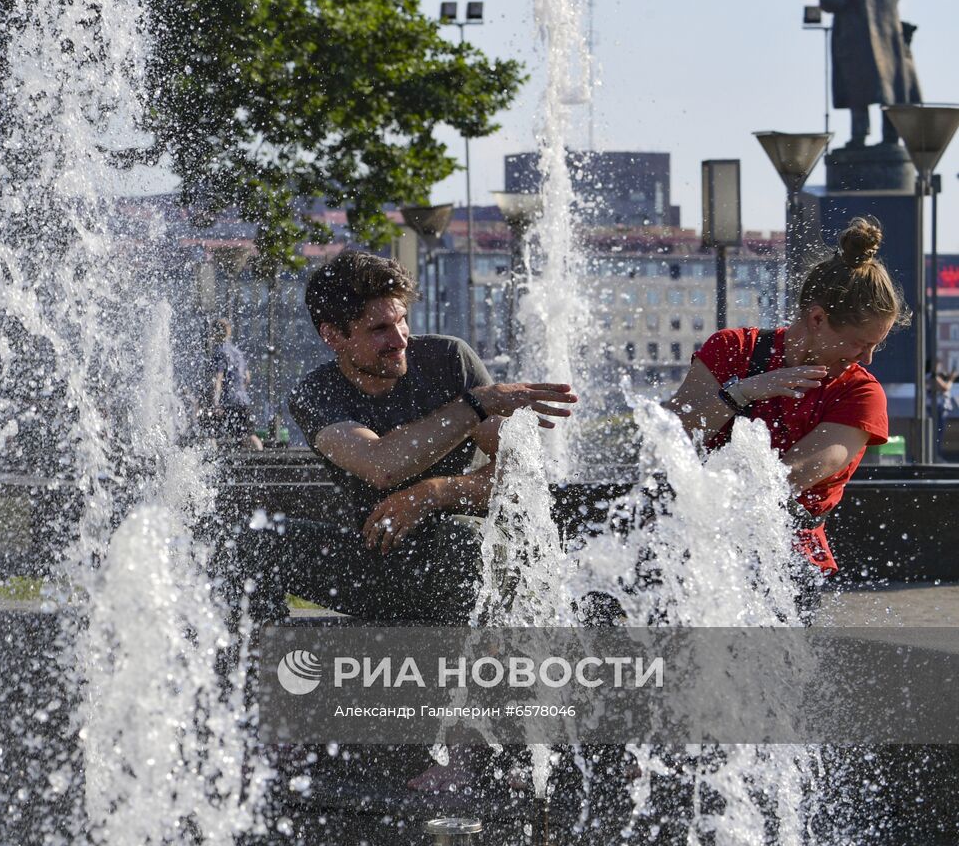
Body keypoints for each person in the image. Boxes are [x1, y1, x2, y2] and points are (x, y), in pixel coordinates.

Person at [219, 250, 577, 624]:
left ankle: (464, 672)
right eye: (379, 330)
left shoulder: (449, 361)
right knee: (248, 542)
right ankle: (265, 662)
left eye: (402, 320)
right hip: (378, 563)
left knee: (460, 538)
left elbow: (517, 480)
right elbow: (380, 466)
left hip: (467, 558)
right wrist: (475, 405)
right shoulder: (317, 393)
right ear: (333, 335)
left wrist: (436, 492)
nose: (400, 339)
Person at [666, 217, 909, 619]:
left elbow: (791, 475)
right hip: (695, 550)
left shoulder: (861, 393)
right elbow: (671, 436)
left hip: (784, 564)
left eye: (875, 347)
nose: (866, 359)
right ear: (817, 319)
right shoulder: (732, 349)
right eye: (859, 344)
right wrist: (744, 391)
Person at [818, 0, 921, 147]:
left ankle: (859, 136)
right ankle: (890, 138)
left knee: (858, 94)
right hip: (891, 51)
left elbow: (830, 1)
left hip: (861, 51)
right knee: (890, 96)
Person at [204, 318, 262, 450]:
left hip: (227, 402)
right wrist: (239, 391)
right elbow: (247, 378)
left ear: (214, 333)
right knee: (250, 435)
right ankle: (261, 460)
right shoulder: (238, 352)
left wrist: (216, 403)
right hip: (242, 401)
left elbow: (218, 379)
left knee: (211, 433)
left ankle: (213, 463)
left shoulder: (219, 352)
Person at [927, 359, 957, 460]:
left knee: (939, 433)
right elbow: (945, 388)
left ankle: (936, 454)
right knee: (937, 433)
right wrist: (951, 379)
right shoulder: (932, 376)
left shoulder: (936, 376)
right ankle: (935, 455)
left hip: (940, 409)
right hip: (936, 408)